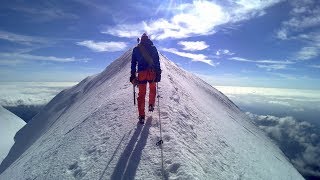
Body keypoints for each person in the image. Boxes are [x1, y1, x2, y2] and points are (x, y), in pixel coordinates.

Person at [130, 33, 161, 123]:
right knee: (152, 89)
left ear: (141, 40)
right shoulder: (153, 48)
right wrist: (158, 72)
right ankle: (151, 104)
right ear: (148, 40)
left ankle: (141, 116)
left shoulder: (136, 49)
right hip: (152, 72)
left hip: (141, 73)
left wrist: (132, 74)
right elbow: (157, 61)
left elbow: (133, 63)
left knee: (142, 94)